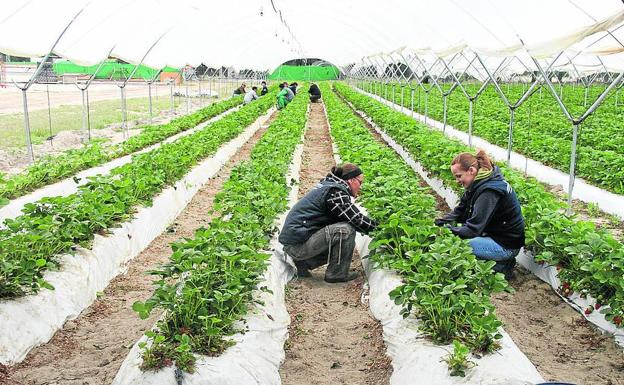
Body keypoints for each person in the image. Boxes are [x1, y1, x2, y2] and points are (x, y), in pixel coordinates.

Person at [279, 163, 377, 283]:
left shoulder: (329, 186)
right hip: (297, 247)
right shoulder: (335, 193)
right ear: (351, 180)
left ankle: (303, 263)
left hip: (298, 243)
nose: (361, 187)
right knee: (345, 230)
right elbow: (355, 219)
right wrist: (381, 231)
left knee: (343, 231)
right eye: (360, 182)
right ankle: (336, 274)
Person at [434, 150, 525, 279]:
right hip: (495, 236)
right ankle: (500, 262)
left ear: (471, 170)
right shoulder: (478, 183)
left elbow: (473, 229)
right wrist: (439, 222)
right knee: (459, 239)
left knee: (461, 247)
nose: (457, 181)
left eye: (459, 176)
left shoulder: (489, 191)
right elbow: (460, 211)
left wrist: (448, 231)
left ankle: (501, 267)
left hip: (506, 245)